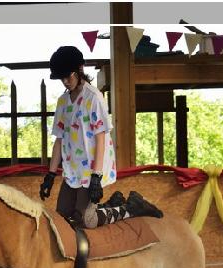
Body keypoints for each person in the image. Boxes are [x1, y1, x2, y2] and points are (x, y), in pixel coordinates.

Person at [39, 45, 162, 228]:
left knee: (84, 221)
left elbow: (101, 138)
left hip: (91, 169)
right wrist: (50, 174)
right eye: (61, 78)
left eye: (68, 75)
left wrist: (96, 176)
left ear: (80, 69)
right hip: (72, 171)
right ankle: (112, 204)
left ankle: (131, 207)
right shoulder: (63, 102)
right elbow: (59, 140)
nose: (65, 81)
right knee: (62, 217)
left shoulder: (93, 98)